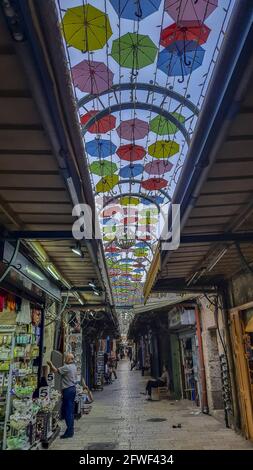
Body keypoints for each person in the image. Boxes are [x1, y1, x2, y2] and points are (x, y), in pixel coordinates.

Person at [47, 353, 77, 439]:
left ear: (68, 359)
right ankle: (70, 430)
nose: (64, 359)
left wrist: (50, 364)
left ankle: (69, 432)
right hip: (72, 389)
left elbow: (55, 371)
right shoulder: (74, 367)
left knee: (68, 411)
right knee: (70, 410)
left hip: (68, 390)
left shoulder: (67, 367)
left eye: (65, 358)